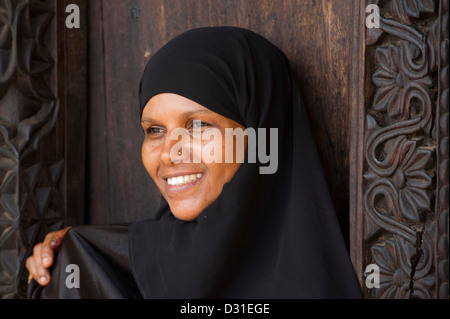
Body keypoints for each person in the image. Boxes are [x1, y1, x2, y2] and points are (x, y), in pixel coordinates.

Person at [26, 26, 362, 298]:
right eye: (155, 130)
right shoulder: (95, 268)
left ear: (261, 136)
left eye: (199, 126)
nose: (170, 153)